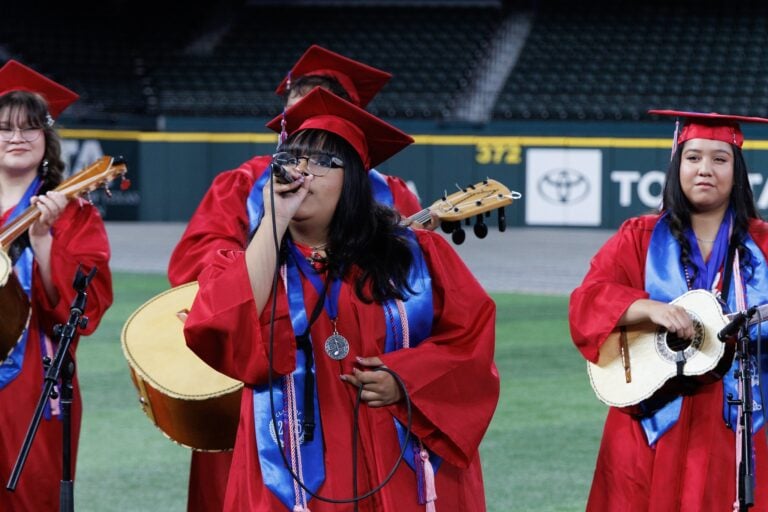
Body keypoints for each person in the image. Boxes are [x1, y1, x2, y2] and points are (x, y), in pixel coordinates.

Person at [182, 86, 498, 511]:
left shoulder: (418, 256)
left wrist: (406, 380)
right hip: (291, 466)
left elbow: (470, 343)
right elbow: (219, 325)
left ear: (353, 180)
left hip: (398, 452)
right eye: (291, 159)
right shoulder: (250, 265)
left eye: (323, 162)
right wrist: (273, 221)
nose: (302, 172)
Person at [569, 110, 768, 510]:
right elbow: (586, 303)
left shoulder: (761, 246)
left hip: (739, 420)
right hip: (650, 420)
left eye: (719, 159)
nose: (705, 169)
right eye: (693, 157)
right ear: (678, 164)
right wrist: (645, 307)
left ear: (738, 169)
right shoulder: (638, 237)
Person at [0, 60, 113, 511]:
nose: (17, 137)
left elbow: (79, 314)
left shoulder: (75, 216)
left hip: (32, 379)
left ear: (47, 141)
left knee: (30, 495)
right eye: (4, 127)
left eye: (30, 127)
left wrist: (43, 242)